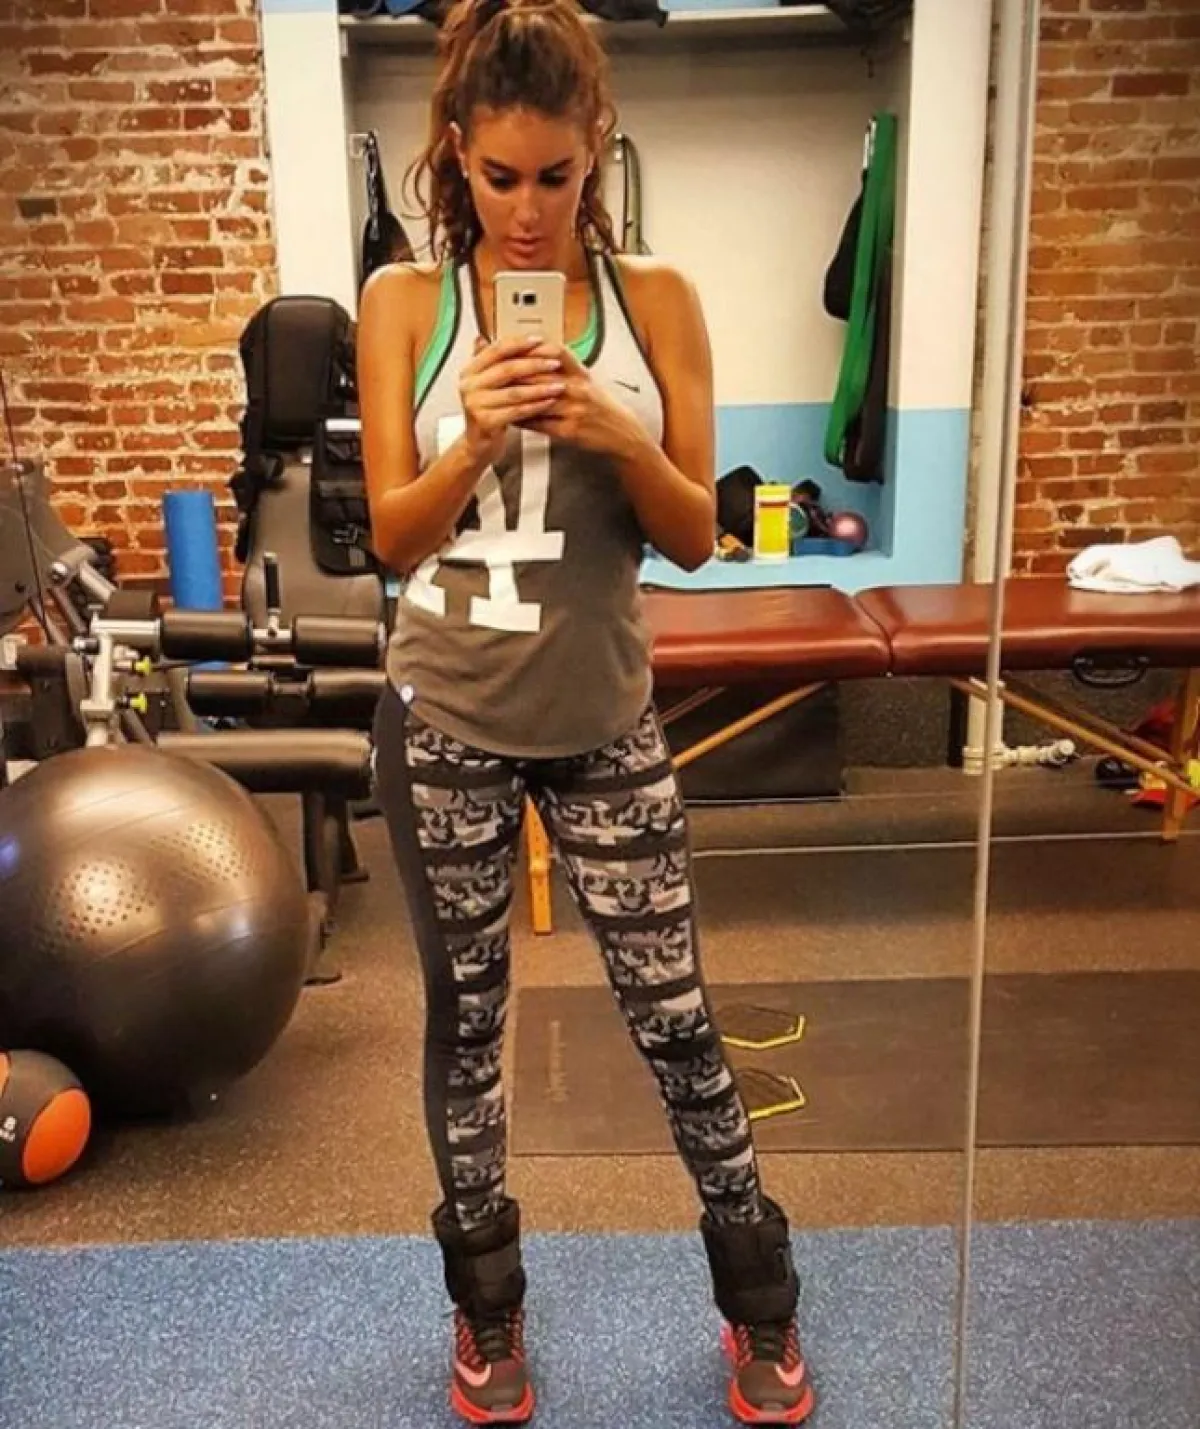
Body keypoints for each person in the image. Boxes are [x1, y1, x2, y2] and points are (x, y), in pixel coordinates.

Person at [357, 0, 815, 1421]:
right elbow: (393, 538)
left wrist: (614, 429)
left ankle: (762, 1308)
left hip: (606, 720)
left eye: (555, 176)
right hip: (445, 719)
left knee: (677, 1021)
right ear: (456, 154)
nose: (528, 209)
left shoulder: (655, 300)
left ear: (594, 151)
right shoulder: (406, 305)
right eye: (501, 176)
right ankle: (486, 1314)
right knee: (467, 1029)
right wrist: (480, 434)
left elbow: (695, 538)